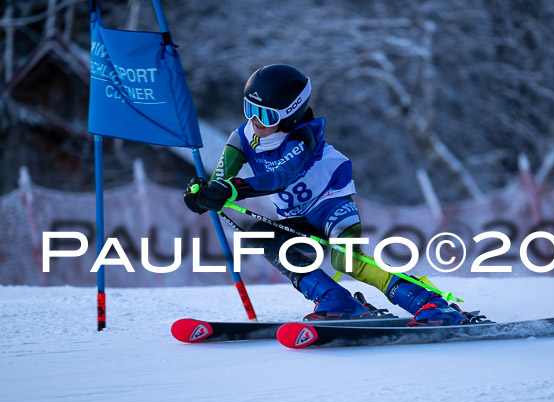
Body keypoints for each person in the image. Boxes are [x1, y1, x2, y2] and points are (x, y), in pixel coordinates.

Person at [184, 64, 474, 325]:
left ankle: (430, 303)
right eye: (249, 109)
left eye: (266, 114)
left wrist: (233, 188)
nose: (255, 121)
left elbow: (282, 175)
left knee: (348, 261)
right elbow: (219, 180)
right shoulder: (243, 136)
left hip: (330, 205)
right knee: (261, 235)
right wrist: (203, 194)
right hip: (296, 217)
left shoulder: (302, 137)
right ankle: (336, 299)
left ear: (290, 114)